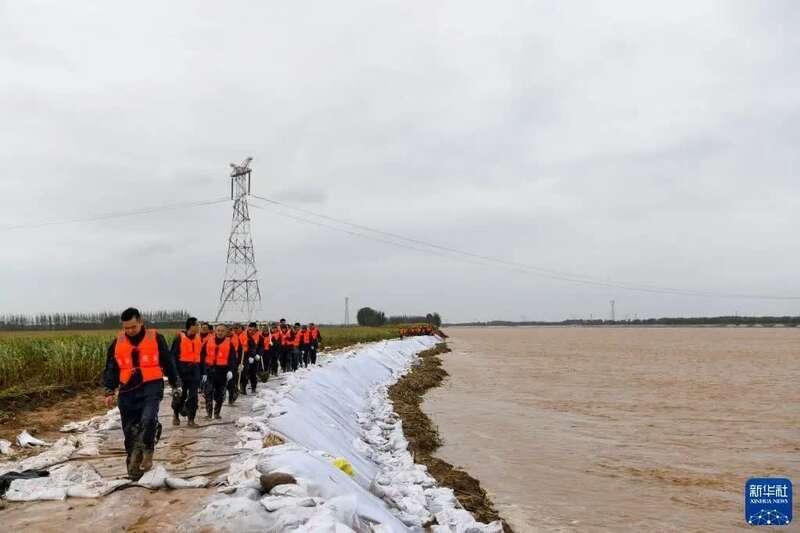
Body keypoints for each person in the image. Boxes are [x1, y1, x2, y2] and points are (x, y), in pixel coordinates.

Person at [102, 307, 178, 480]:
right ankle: (134, 468)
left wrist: (175, 383)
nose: (129, 331)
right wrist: (109, 390)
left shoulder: (156, 338)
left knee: (148, 419)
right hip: (127, 390)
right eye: (126, 328)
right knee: (129, 432)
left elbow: (168, 362)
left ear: (141, 322)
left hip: (151, 386)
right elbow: (111, 368)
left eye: (133, 327)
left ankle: (148, 450)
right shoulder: (117, 342)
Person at [170, 317, 202, 427]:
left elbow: (201, 356)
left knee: (193, 396)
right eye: (197, 325)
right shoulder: (179, 338)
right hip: (182, 371)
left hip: (194, 371)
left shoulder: (198, 338)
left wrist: (203, 373)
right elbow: (172, 357)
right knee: (181, 396)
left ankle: (191, 419)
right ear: (191, 326)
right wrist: (175, 374)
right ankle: (176, 414)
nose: (199, 327)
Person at [200, 324, 236, 420]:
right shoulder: (208, 341)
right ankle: (209, 413)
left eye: (222, 331)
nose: (220, 332)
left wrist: (230, 371)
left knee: (219, 394)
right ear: (215, 331)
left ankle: (217, 413)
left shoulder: (229, 343)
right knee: (208, 392)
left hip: (222, 371)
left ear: (226, 332)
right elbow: (202, 357)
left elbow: (232, 359)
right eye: (218, 330)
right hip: (209, 370)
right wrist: (203, 372)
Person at [239, 322, 262, 394]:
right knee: (244, 373)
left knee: (253, 373)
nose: (251, 332)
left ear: (256, 330)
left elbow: (261, 347)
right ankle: (243, 388)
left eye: (253, 330)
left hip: (255, 358)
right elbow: (242, 348)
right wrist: (248, 357)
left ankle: (253, 387)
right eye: (250, 330)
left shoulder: (259, 336)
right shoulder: (242, 335)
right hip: (244, 357)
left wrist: (259, 354)